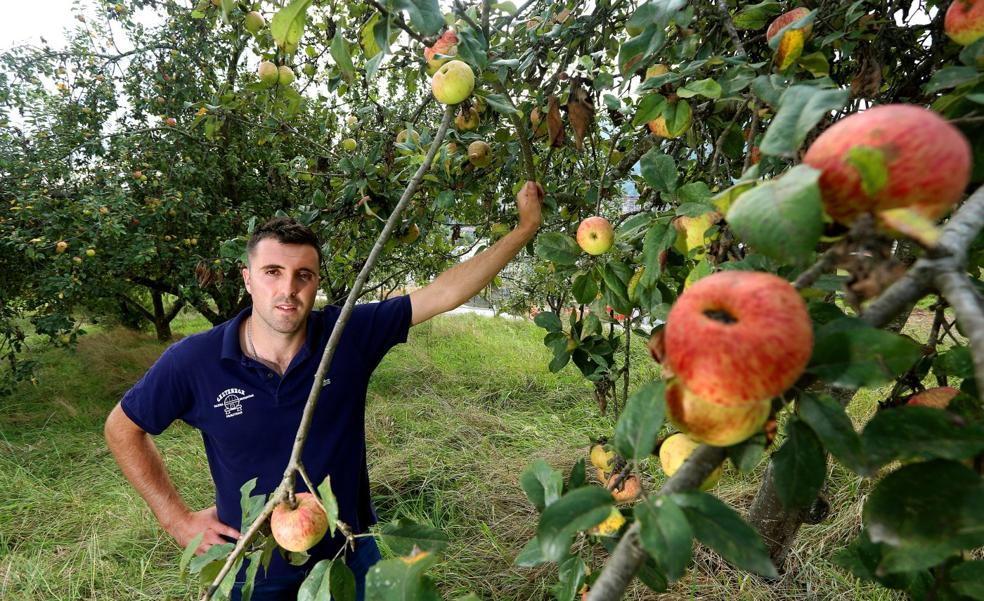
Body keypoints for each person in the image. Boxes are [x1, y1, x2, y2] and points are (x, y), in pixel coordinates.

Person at [103, 181, 543, 600]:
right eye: (272, 272)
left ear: (316, 282)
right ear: (248, 278)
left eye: (303, 275)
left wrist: (524, 230)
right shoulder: (193, 361)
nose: (288, 290)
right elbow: (122, 429)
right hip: (253, 560)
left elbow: (443, 293)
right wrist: (176, 519)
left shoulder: (346, 334)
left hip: (347, 549)